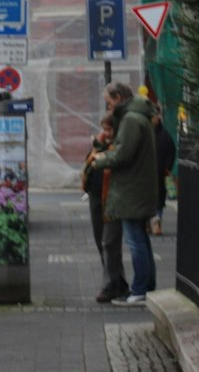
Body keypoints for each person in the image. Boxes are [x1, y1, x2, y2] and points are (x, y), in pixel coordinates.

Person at [90, 80, 160, 304]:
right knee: (141, 239)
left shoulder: (130, 120)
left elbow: (123, 154)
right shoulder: (140, 116)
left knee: (135, 240)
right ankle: (147, 286)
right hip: (140, 186)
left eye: (109, 102)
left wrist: (101, 159)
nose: (108, 107)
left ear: (118, 97)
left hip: (131, 189)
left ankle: (139, 289)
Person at [83, 117, 127, 302]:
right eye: (104, 129)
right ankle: (118, 283)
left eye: (109, 130)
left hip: (111, 199)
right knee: (101, 241)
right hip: (95, 196)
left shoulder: (119, 148)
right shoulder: (98, 146)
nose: (106, 133)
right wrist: (98, 144)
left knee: (109, 243)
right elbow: (88, 165)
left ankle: (111, 285)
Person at [148, 90, 177, 235]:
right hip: (147, 173)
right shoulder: (146, 133)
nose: (154, 119)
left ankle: (156, 222)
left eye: (155, 116)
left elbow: (171, 152)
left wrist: (167, 167)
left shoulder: (164, 135)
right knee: (149, 199)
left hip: (158, 173)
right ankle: (151, 222)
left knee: (158, 200)